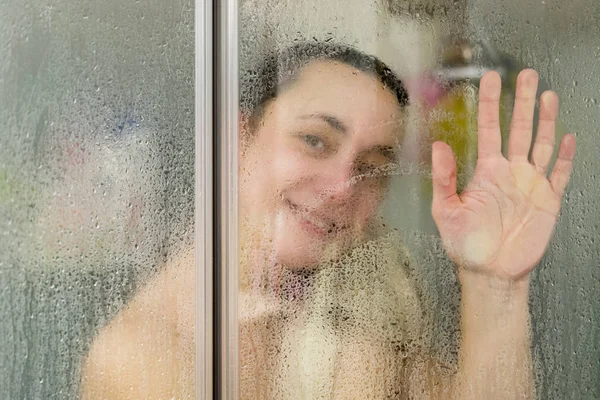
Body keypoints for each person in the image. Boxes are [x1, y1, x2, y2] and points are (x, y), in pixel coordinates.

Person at [80, 41, 576, 399]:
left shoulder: (349, 314)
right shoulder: (146, 359)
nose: (343, 188)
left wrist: (494, 287)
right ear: (237, 139)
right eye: (315, 140)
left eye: (372, 168)